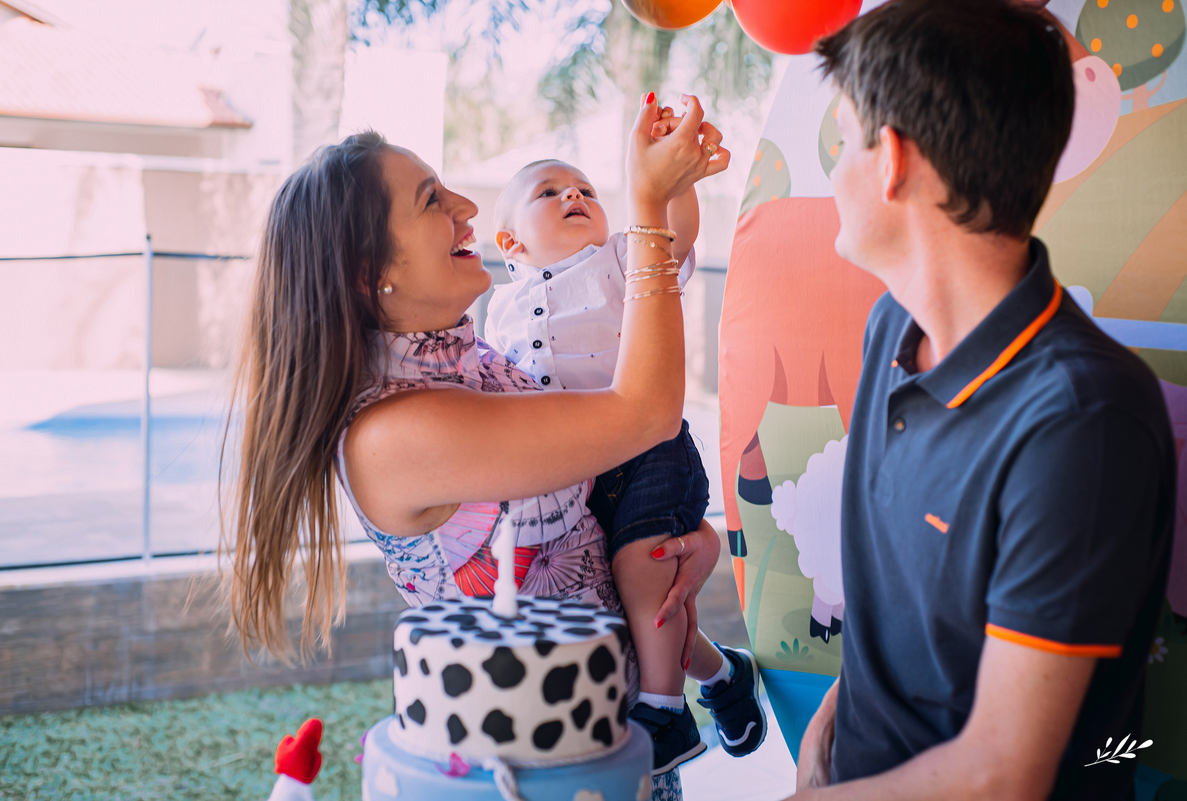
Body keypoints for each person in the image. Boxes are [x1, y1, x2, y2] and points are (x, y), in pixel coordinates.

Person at [223, 92, 726, 797]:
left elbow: (591, 487)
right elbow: (643, 413)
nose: (466, 208)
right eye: (433, 199)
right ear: (372, 272)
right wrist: (647, 211)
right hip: (535, 772)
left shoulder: (474, 360)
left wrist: (677, 541)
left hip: (607, 742)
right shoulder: (396, 431)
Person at [790, 1, 1175, 799]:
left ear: (891, 159)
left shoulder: (1081, 420)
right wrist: (835, 721)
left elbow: (1003, 775)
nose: (832, 171)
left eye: (842, 137)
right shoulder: (890, 324)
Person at [486, 138, 767, 772]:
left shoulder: (617, 259)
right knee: (623, 594)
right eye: (551, 192)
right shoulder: (497, 312)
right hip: (575, 469)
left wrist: (674, 181)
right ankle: (723, 675)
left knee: (643, 571)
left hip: (648, 450)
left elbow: (677, 234)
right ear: (510, 245)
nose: (575, 196)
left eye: (585, 188)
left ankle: (665, 712)